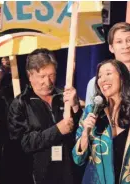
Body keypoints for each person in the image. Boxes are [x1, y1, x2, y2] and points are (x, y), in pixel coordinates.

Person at [8, 48, 84, 184]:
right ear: (30, 75)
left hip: (69, 173)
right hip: (38, 176)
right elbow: (22, 144)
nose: (48, 82)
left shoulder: (64, 96)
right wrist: (57, 130)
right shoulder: (21, 103)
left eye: (52, 75)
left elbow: (82, 133)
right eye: (42, 76)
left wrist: (76, 107)